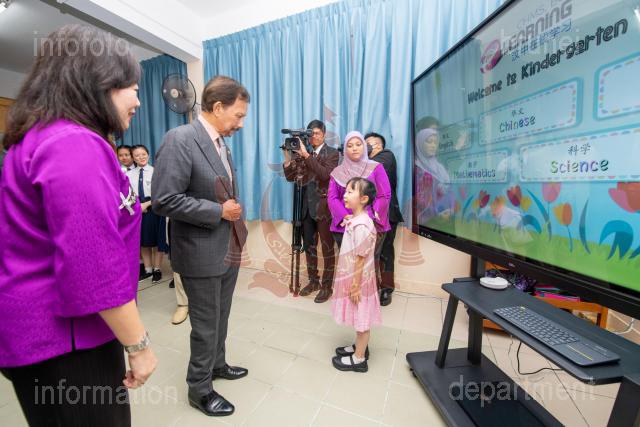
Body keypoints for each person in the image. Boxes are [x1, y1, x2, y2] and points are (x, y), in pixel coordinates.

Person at [0, 24, 157, 426]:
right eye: (131, 88)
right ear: (98, 83)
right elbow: (93, 267)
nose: (138, 100)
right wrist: (138, 344)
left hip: (44, 338)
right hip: (65, 342)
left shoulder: (43, 138)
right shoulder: (73, 144)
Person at [152, 75, 250, 417]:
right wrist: (217, 212)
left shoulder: (221, 143)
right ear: (218, 107)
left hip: (227, 247)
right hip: (200, 252)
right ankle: (200, 389)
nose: (241, 123)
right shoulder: (180, 139)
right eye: (238, 115)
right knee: (206, 325)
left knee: (221, 316)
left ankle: (217, 365)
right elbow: (164, 199)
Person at [282, 120, 339, 303]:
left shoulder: (332, 153)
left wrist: (306, 155)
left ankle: (327, 286)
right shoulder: (302, 152)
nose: (313, 137)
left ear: (324, 134)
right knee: (309, 246)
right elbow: (291, 177)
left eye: (316, 133)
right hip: (305, 207)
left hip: (324, 207)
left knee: (327, 249)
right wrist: (288, 158)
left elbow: (324, 174)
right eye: (310, 134)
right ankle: (313, 281)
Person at [327, 131, 391, 288]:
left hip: (371, 223)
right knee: (348, 264)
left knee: (369, 263)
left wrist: (367, 216)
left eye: (358, 144)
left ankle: (369, 294)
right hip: (344, 226)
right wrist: (345, 216)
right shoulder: (337, 172)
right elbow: (332, 198)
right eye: (350, 145)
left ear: (364, 147)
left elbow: (384, 195)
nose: (354, 148)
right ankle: (348, 295)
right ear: (345, 150)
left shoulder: (376, 167)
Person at [331, 177, 381, 372]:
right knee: (359, 315)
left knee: (362, 319)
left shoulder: (362, 226)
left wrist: (355, 285)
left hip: (359, 280)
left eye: (350, 192)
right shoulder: (357, 220)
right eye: (346, 191)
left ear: (364, 199)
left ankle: (359, 359)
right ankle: (359, 346)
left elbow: (360, 259)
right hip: (355, 277)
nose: (345, 195)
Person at [365, 132, 404, 306]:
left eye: (369, 144)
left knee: (386, 251)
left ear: (380, 146)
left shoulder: (386, 156)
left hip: (387, 213)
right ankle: (371, 288)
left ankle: (387, 288)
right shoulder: (364, 163)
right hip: (368, 214)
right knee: (369, 253)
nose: (366, 148)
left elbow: (370, 171)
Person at [127, 145, 168, 283]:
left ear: (148, 155)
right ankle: (148, 269)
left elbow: (162, 193)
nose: (141, 157)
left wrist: (147, 204)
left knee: (157, 241)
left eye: (143, 154)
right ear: (133, 158)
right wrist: (137, 206)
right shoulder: (129, 175)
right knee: (143, 241)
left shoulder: (156, 172)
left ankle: (157, 269)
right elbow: (127, 194)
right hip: (138, 210)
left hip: (155, 209)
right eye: (137, 155)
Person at [415, 128, 454, 224]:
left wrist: (450, 208)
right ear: (420, 143)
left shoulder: (440, 167)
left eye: (435, 142)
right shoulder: (416, 167)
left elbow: (449, 190)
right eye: (429, 142)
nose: (433, 145)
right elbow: (419, 198)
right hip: (424, 222)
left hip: (444, 218)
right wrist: (437, 214)